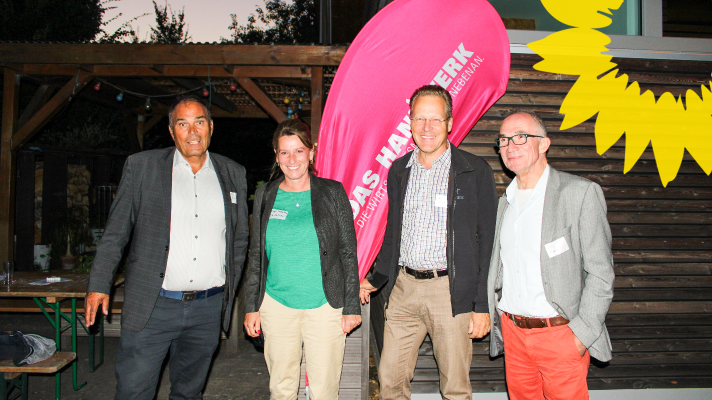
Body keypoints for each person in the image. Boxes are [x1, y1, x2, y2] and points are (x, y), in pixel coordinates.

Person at [85, 95, 249, 400]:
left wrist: (231, 286)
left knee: (189, 393)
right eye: (182, 124)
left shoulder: (233, 173)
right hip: (154, 305)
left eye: (199, 122)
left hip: (207, 308)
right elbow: (116, 232)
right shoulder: (143, 167)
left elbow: (239, 239)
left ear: (210, 127)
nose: (193, 132)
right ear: (172, 131)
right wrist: (99, 284)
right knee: (134, 392)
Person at [359, 85, 498, 400]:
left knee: (455, 387)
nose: (427, 127)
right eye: (419, 119)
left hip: (450, 292)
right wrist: (377, 278)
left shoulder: (474, 170)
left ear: (450, 122)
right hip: (404, 289)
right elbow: (393, 232)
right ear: (409, 122)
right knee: (390, 379)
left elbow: (487, 240)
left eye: (435, 119)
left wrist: (481, 305)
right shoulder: (398, 170)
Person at [487, 110, 615, 400]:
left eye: (521, 137)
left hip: (560, 335)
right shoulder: (504, 204)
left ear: (544, 144)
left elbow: (601, 273)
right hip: (514, 334)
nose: (510, 146)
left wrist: (580, 335)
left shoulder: (579, 194)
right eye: (504, 140)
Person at [243, 119, 361, 400]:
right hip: (276, 306)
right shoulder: (265, 195)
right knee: (281, 388)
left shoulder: (333, 193)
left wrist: (351, 305)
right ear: (276, 155)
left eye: (299, 151)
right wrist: (252, 306)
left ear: (312, 152)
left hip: (325, 307)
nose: (292, 159)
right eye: (284, 152)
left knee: (324, 391)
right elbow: (257, 254)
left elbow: (348, 251)